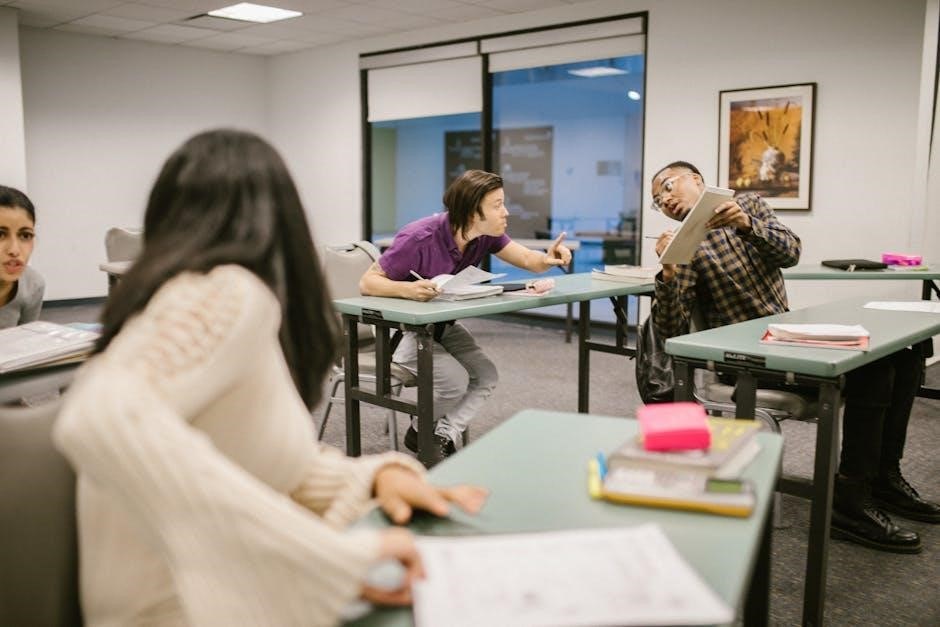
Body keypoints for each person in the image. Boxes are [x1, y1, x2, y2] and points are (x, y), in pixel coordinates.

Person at [53, 129, 488, 626]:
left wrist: (371, 476)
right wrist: (328, 557)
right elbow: (101, 417)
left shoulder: (206, 305)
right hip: (186, 607)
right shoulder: (225, 290)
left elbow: (257, 463)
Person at [650, 160, 939, 554]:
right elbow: (670, 328)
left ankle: (884, 479)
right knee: (875, 373)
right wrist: (668, 274)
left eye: (668, 186)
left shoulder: (749, 205)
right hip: (745, 359)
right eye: (657, 200)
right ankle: (850, 503)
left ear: (697, 180)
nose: (664, 200)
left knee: (904, 359)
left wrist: (745, 225)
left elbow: (791, 253)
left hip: (787, 338)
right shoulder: (682, 243)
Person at [359, 169, 571, 464]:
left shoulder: (484, 236)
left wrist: (547, 259)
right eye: (497, 205)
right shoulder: (418, 237)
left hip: (439, 326)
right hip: (402, 331)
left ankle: (436, 434)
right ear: (473, 213)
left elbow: (527, 259)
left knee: (486, 375)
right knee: (455, 382)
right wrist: (408, 290)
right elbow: (367, 283)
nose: (506, 212)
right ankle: (427, 434)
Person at [0, 185, 44, 328]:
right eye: (0, 234)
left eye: (25, 235)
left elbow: (26, 339)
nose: (14, 250)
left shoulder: (33, 285)